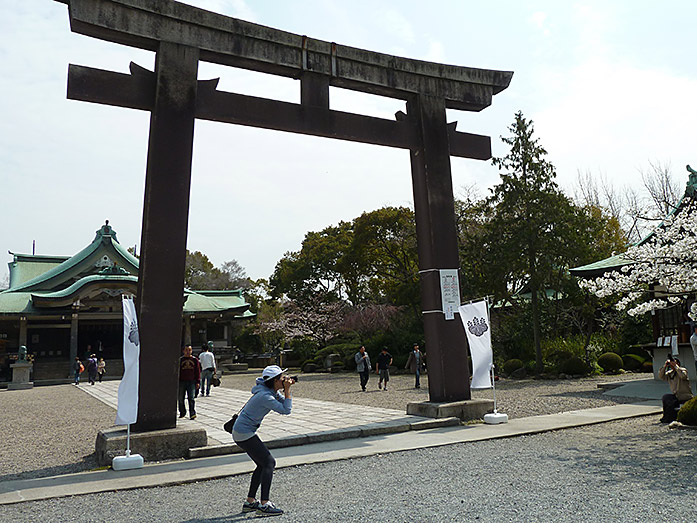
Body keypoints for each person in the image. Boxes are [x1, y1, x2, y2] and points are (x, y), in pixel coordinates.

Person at [233, 365, 294, 516]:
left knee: (262, 464)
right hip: (244, 432)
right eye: (281, 378)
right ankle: (265, 504)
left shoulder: (269, 391)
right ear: (274, 381)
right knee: (269, 462)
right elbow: (286, 410)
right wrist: (287, 390)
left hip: (243, 431)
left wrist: (285, 389)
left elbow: (284, 403)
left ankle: (250, 502)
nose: (284, 379)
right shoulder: (265, 396)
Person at [658, 355, 693, 423]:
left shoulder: (683, 370)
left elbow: (683, 376)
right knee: (666, 398)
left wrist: (676, 366)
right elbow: (661, 376)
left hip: (685, 395)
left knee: (670, 401)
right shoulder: (670, 373)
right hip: (676, 395)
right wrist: (665, 366)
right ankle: (667, 417)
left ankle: (671, 417)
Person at [178, 345, 201, 420]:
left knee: (191, 398)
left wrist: (197, 381)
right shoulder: (180, 360)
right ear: (183, 351)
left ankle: (192, 413)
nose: (188, 352)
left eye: (189, 350)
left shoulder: (194, 360)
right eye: (186, 350)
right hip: (182, 381)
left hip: (191, 381)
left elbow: (197, 371)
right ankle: (182, 412)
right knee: (181, 398)